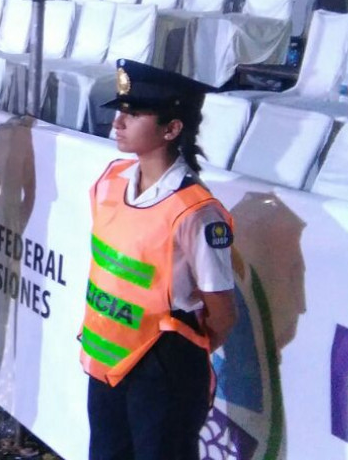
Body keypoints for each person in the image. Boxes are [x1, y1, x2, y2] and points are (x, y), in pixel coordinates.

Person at [82, 59, 238, 460]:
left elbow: (221, 314)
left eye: (133, 114)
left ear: (172, 129)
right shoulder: (110, 180)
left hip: (164, 364)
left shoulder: (197, 211)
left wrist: (172, 350)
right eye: (121, 111)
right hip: (108, 353)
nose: (118, 122)